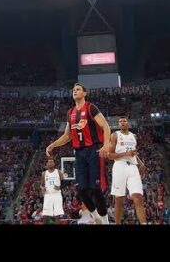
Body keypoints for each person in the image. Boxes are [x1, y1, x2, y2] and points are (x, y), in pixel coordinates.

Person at [46, 83, 111, 224]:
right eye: (73, 90)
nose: (75, 91)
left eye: (78, 89)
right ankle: (96, 217)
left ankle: (105, 220)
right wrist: (53, 145)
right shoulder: (70, 112)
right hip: (79, 153)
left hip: (93, 150)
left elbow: (105, 126)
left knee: (95, 190)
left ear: (84, 93)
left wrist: (106, 144)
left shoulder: (90, 107)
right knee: (81, 191)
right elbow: (67, 136)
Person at [108, 117, 147, 224]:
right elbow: (110, 155)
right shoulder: (115, 135)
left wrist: (140, 163)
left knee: (138, 197)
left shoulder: (133, 136)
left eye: (124, 121)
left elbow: (133, 153)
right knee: (119, 200)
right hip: (119, 166)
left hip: (133, 167)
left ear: (128, 123)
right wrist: (126, 154)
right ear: (118, 124)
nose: (122, 123)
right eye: (120, 121)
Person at [40, 157, 65, 224]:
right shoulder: (44, 173)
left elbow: (64, 183)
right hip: (48, 195)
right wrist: (42, 188)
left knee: (57, 215)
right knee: (46, 215)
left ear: (54, 164)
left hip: (57, 194)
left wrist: (60, 187)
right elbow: (41, 185)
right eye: (49, 162)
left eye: (52, 162)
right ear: (47, 164)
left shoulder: (59, 172)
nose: (50, 163)